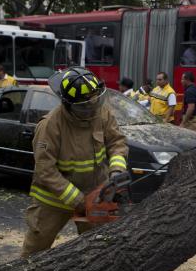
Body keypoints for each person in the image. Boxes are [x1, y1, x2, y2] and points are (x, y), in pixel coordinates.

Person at [21, 67, 129, 256]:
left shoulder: (101, 112)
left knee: (98, 247)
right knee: (35, 251)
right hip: (53, 200)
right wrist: (80, 201)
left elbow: (116, 142)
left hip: (95, 194)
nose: (90, 108)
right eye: (84, 105)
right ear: (68, 104)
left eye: (94, 101)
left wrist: (117, 172)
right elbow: (45, 170)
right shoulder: (50, 125)